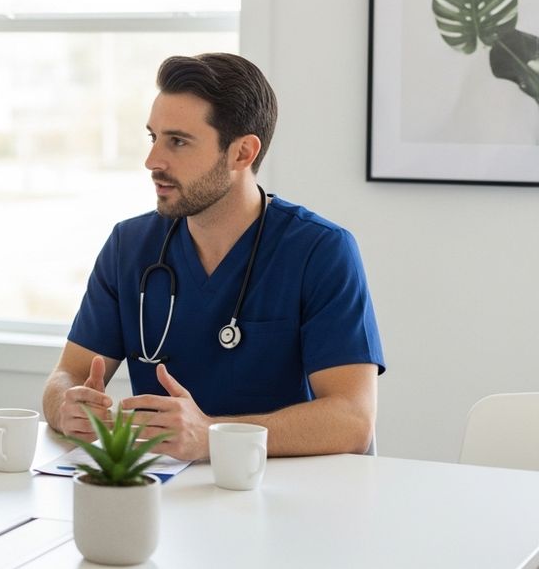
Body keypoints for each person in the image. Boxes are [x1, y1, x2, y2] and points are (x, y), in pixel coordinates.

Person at [42, 53, 384, 461]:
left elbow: (352, 420)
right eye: (154, 138)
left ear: (242, 153)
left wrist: (213, 436)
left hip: (284, 497)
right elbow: (68, 373)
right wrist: (66, 405)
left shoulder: (320, 250)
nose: (152, 162)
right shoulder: (129, 247)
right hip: (164, 496)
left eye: (178, 141)